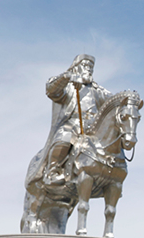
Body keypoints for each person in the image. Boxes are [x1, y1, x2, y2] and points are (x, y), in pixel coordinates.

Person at [31, 54, 113, 188]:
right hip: (73, 123)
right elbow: (52, 91)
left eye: (91, 67)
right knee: (65, 135)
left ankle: (113, 174)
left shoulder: (97, 89)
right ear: (77, 67)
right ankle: (53, 171)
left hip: (94, 127)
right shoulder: (68, 86)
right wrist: (66, 77)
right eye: (86, 65)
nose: (89, 69)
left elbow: (112, 100)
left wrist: (126, 100)